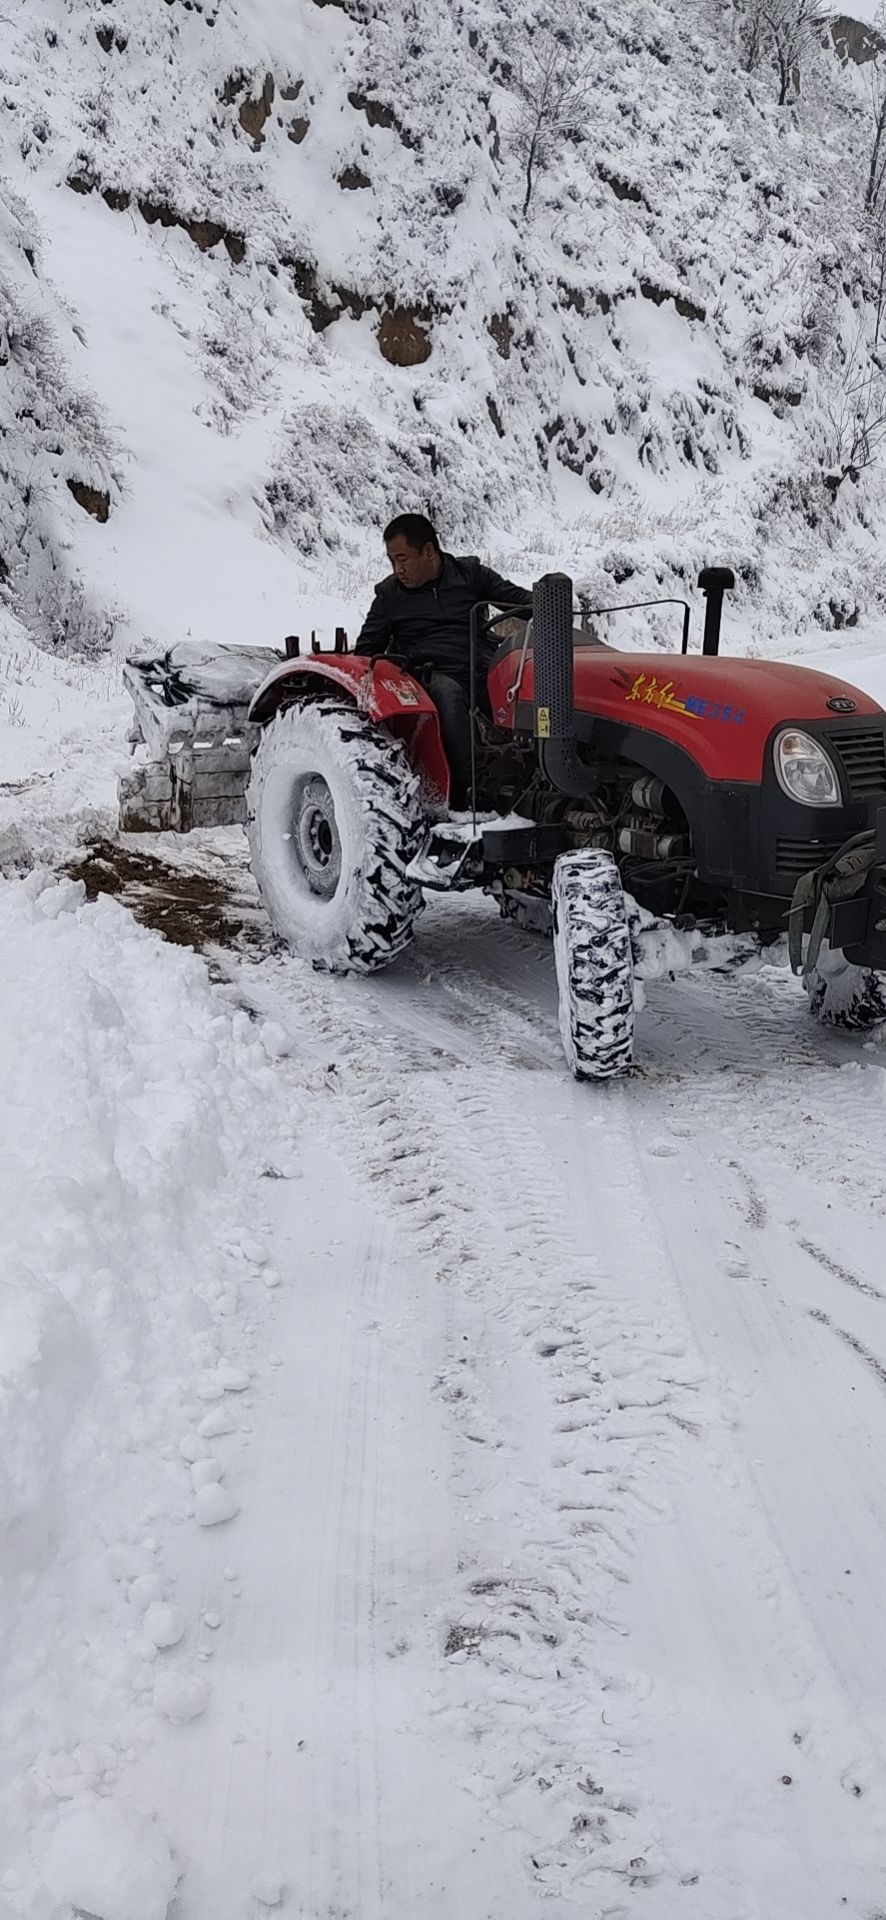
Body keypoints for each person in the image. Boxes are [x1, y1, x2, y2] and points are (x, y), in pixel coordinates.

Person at [354, 513, 530, 807]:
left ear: (428, 551)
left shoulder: (470, 575)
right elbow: (366, 650)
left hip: (481, 666)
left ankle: (530, 780)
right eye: (392, 560)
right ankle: (465, 793)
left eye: (403, 559)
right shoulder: (389, 596)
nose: (398, 569)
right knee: (449, 695)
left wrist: (550, 599)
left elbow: (515, 600)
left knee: (529, 686)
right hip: (428, 676)